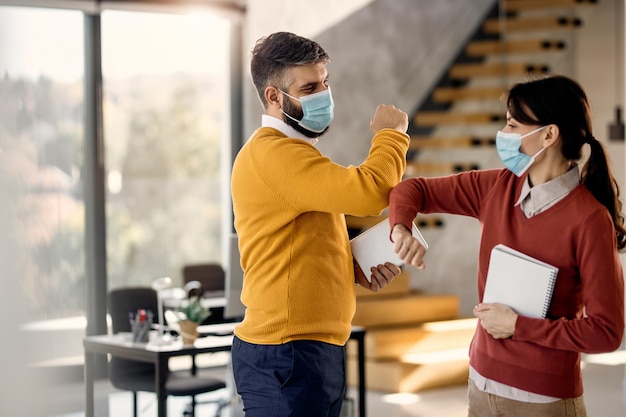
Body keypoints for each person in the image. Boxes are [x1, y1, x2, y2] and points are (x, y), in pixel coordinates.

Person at [388, 74, 625, 417]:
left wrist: (518, 326)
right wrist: (400, 228)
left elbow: (606, 332)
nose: (505, 135)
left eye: (513, 125)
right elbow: (412, 190)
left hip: (544, 401)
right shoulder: (496, 188)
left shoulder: (590, 220)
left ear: (549, 134)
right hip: (481, 384)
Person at [230, 31, 410, 417]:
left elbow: (299, 243)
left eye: (325, 83)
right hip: (287, 353)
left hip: (306, 350)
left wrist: (349, 266)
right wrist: (391, 136)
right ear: (274, 97)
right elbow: (369, 192)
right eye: (309, 86)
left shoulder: (293, 153)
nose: (323, 94)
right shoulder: (272, 153)